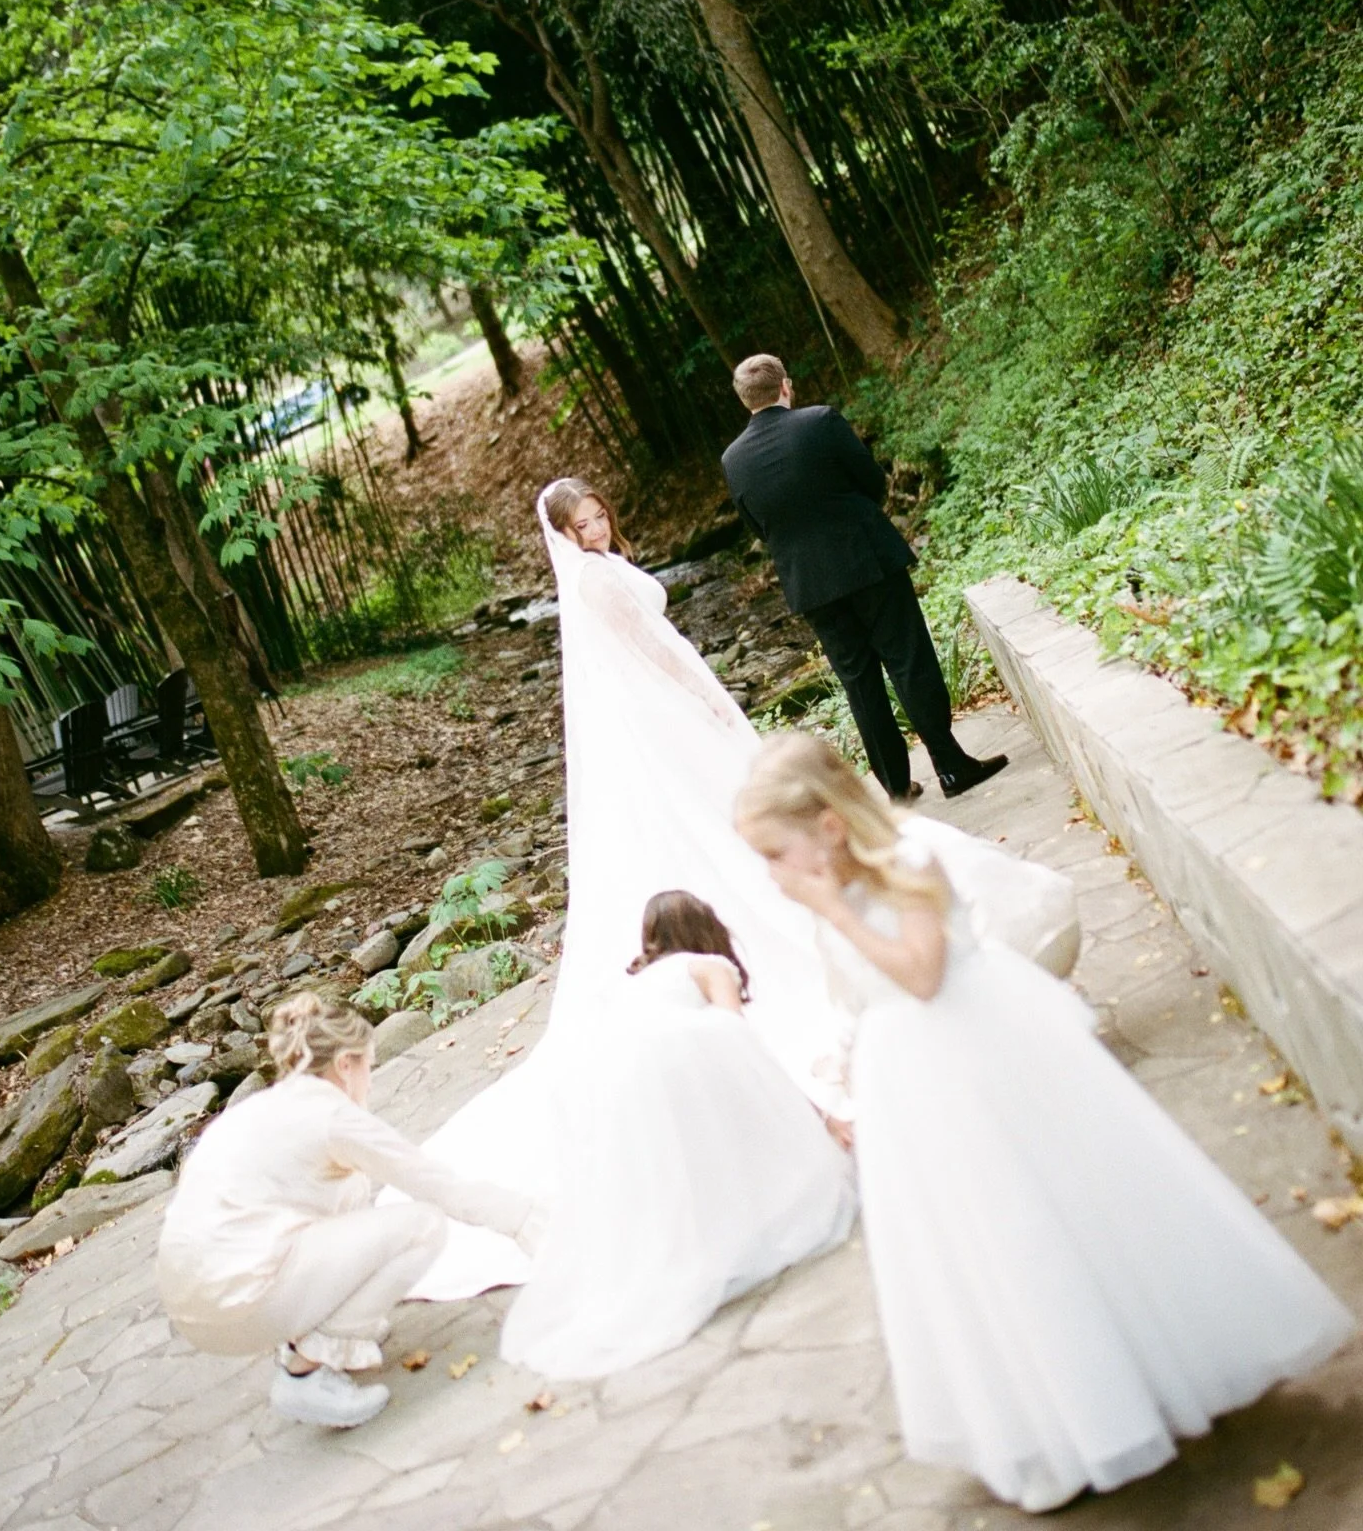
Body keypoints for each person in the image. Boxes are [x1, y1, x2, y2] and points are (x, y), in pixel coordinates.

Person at [406, 475, 1078, 1303]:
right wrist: (714, 707)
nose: (595, 529)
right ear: (559, 533)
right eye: (580, 524)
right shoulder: (597, 580)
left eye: (599, 515)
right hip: (671, 715)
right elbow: (657, 657)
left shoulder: (595, 575)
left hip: (653, 722)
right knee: (726, 820)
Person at [736, 733, 1356, 1514]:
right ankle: (1055, 1408)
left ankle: (1143, 1375)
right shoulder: (834, 893)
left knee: (1049, 1208)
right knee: (984, 1241)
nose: (772, 874)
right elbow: (860, 997)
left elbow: (922, 976)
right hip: (913, 1078)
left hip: (981, 1052)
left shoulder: (910, 861)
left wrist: (833, 911)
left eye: (775, 853)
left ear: (826, 827)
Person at [499, 891, 855, 1379]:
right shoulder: (708, 965)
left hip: (609, 1086)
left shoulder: (638, 982)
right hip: (674, 1061)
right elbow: (739, 1044)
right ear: (708, 926)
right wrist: (822, 1116)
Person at [156, 993, 540, 1429]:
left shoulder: (262, 1108)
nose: (369, 1082)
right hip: (238, 1299)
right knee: (421, 1227)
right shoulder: (331, 1115)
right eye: (367, 1067)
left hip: (193, 1302)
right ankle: (305, 1369)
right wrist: (522, 1217)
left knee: (356, 1201)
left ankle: (318, 1332)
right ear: (344, 1065)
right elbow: (434, 1183)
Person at [721, 353, 1006, 802]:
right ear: (786, 386)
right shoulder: (820, 421)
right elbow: (872, 481)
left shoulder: (733, 459)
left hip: (810, 585)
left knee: (859, 682)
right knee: (908, 659)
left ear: (744, 401)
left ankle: (895, 787)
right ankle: (950, 764)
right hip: (867, 560)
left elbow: (757, 526)